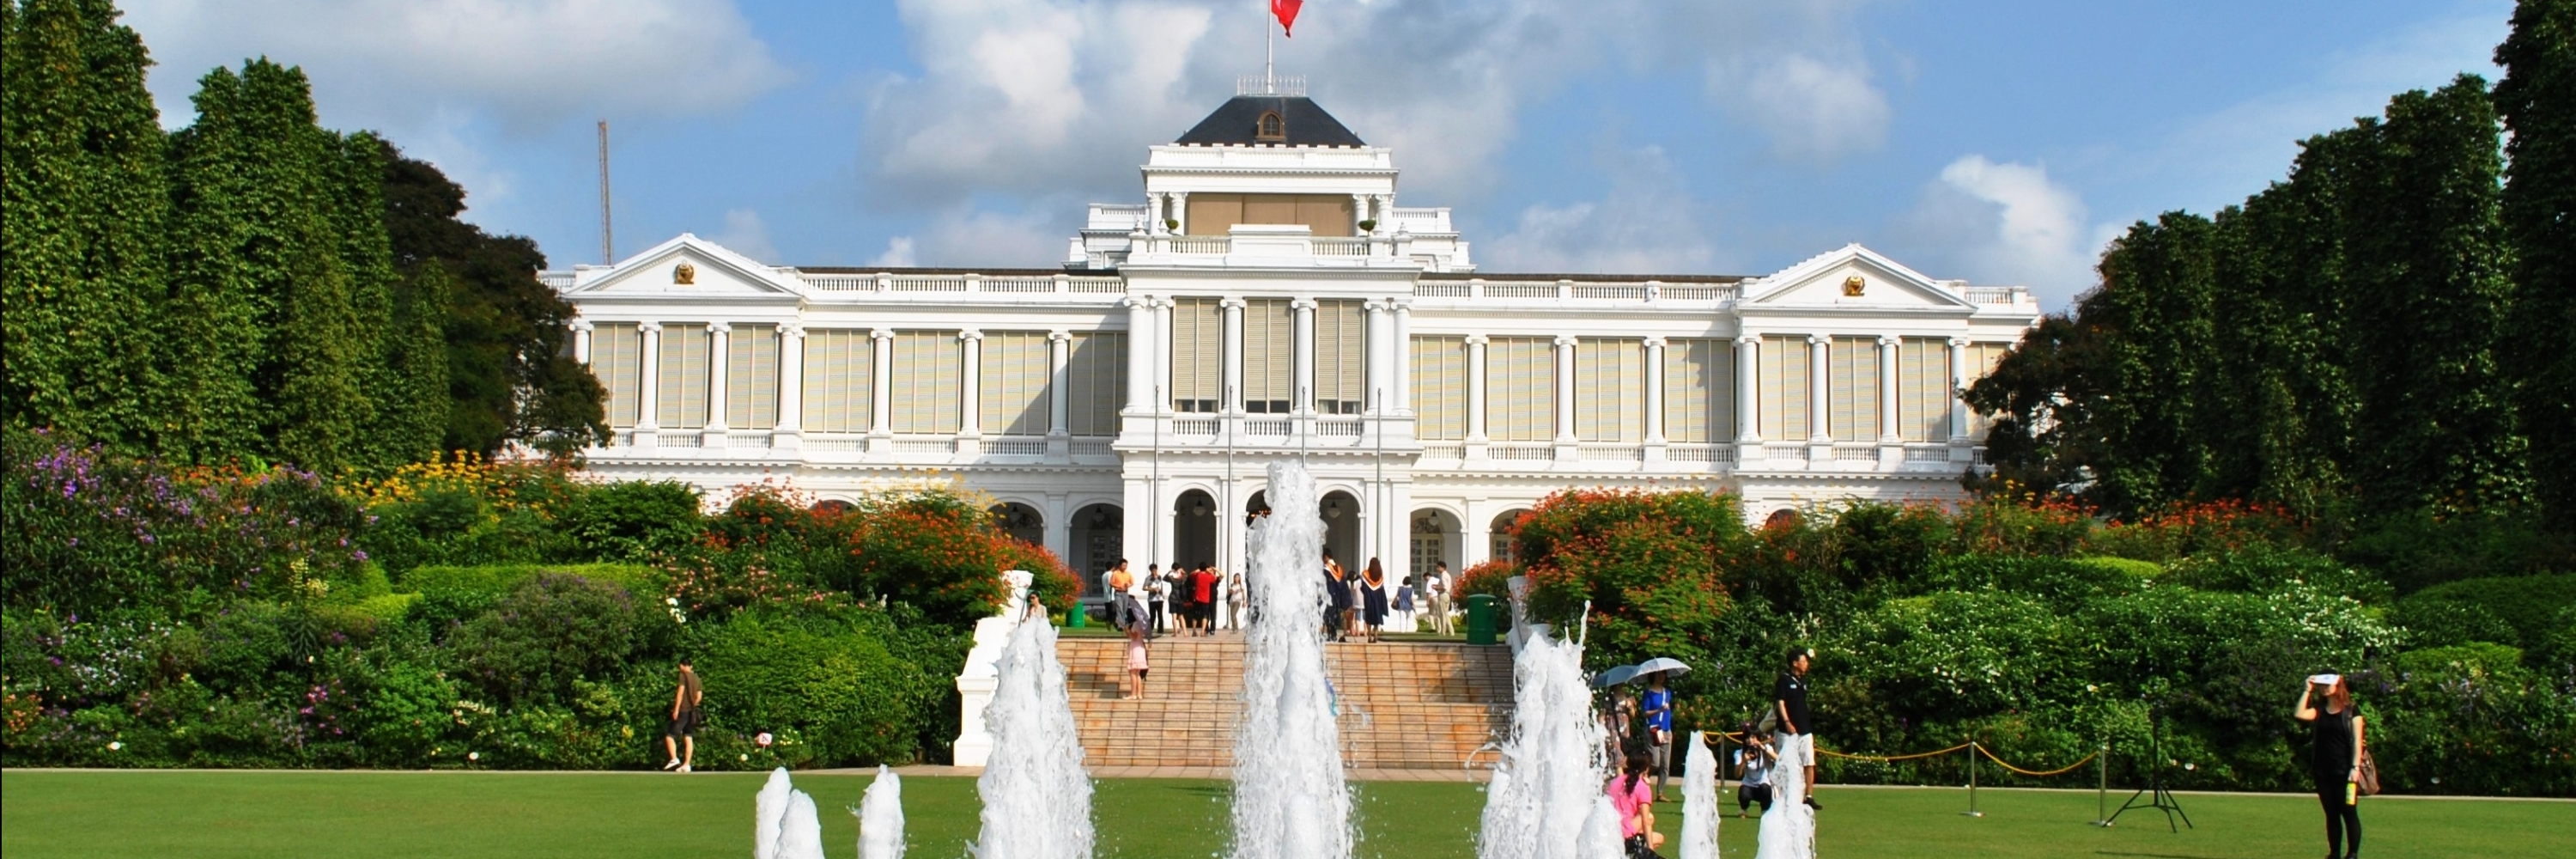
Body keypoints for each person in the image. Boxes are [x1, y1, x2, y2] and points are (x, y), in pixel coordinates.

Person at [2294, 674, 2367, 859]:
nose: (2324, 688)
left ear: (2338, 685)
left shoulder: (2352, 711)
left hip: (2345, 771)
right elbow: (2299, 714)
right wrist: (2307, 689)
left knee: (2349, 812)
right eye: (2321, 685)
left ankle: (2352, 854)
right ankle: (2334, 853)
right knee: (2331, 813)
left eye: (2328, 685)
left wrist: (2355, 768)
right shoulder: (2320, 710)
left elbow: (2358, 742)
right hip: (2323, 770)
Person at [1773, 647, 1819, 810]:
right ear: (1795, 663)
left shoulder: (1803, 681)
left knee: (1809, 762)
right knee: (1785, 763)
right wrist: (1786, 721)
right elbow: (1780, 702)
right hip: (1787, 730)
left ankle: (1808, 796)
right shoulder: (1784, 680)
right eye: (1804, 661)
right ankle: (1783, 797)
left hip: (1805, 729)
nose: (1806, 664)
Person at [1611, 750, 1666, 858]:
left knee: (1655, 831)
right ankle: (1640, 855)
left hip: (1612, 830)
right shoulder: (1642, 786)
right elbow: (1645, 820)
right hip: (1624, 836)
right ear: (1646, 768)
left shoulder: (1617, 781)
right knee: (1652, 823)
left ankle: (1637, 854)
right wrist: (1650, 850)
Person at [1641, 670, 1675, 800]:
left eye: (1664, 674)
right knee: (1655, 762)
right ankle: (1643, 780)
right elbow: (1645, 713)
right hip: (1653, 729)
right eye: (1659, 674)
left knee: (1665, 765)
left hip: (1665, 730)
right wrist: (1659, 710)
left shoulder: (1667, 693)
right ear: (1653, 675)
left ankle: (1660, 793)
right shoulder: (1648, 693)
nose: (1662, 677)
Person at [663, 661, 702, 772]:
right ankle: (687, 764)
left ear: (682, 665)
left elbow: (680, 693)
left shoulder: (683, 676)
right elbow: (699, 696)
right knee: (688, 736)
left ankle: (674, 759)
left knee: (670, 736)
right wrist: (693, 705)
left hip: (683, 710)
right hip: (692, 712)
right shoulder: (697, 678)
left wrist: (676, 709)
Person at [1733, 724, 1775, 818]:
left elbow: (1778, 759)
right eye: (1747, 737)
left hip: (1763, 784)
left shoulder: (1765, 749)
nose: (1750, 740)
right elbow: (1737, 775)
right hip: (1749, 785)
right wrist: (1743, 761)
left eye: (1753, 737)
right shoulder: (1739, 753)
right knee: (1743, 793)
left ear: (1758, 738)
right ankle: (1743, 809)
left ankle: (1765, 810)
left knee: (1766, 789)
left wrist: (1763, 748)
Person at [1359, 558, 1389, 643]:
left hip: (1369, 600)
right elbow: (1381, 590)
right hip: (1378, 601)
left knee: (1369, 618)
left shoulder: (1365, 574)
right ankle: (1376, 634)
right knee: (1377, 618)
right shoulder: (1380, 576)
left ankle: (1369, 636)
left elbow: (1363, 588)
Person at [1323, 551, 1352, 641]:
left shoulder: (1326, 569)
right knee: (1335, 616)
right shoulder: (1338, 569)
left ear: (1326, 557)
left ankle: (1330, 635)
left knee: (1329, 616)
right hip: (1337, 597)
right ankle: (1333, 634)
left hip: (1329, 596)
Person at [1108, 560, 1139, 631]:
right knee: (1120, 608)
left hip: (1125, 593)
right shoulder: (1115, 573)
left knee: (1124, 609)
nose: (1125, 567)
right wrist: (1119, 586)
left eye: (1126, 565)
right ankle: (1121, 625)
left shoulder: (1128, 574)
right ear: (1119, 565)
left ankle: (1121, 623)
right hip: (1118, 593)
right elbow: (1111, 583)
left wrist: (1129, 585)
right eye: (1123, 565)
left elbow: (1132, 582)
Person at [1425, 562, 1455, 636]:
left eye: (1438, 567)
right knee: (1445, 614)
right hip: (1447, 595)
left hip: (1443, 595)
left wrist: (1436, 588)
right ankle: (1451, 632)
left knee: (1442, 614)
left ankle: (1443, 632)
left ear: (1443, 568)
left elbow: (1444, 587)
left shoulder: (1443, 575)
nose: (1437, 569)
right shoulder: (1447, 575)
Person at [1122, 622, 1149, 699]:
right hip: (1139, 647)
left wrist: (1129, 630)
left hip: (1136, 648)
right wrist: (1127, 630)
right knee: (1137, 673)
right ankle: (1139, 694)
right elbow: (1131, 636)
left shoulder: (1136, 624)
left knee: (1133, 672)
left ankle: (1133, 694)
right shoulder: (1140, 624)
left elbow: (1134, 636)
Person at [1145, 564, 1169, 637]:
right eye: (1152, 571)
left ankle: (1160, 629)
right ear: (1150, 571)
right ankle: (1150, 628)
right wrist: (1152, 589)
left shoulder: (1160, 577)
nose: (1154, 572)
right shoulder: (1148, 578)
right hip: (1152, 599)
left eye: (1155, 570)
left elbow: (1161, 586)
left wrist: (1162, 594)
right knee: (1153, 615)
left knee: (1160, 615)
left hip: (1160, 598)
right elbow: (1144, 588)